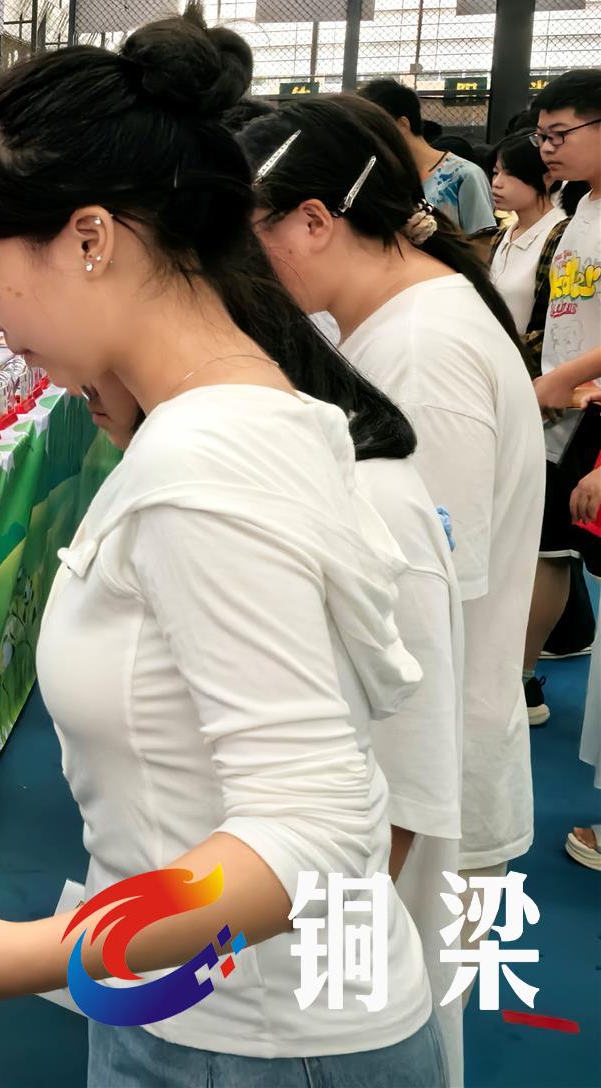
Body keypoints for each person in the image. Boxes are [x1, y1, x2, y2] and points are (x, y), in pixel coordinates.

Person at [0, 8, 441, 1082]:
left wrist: (21, 954)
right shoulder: (224, 422)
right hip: (207, 1004)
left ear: (90, 238)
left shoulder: (208, 463)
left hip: (252, 1046)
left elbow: (315, 832)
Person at [77, 367, 466, 1084]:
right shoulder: (186, 459)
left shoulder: (227, 473)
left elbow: (351, 811)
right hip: (175, 991)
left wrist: (20, 956)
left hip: (261, 1027)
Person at [235, 95, 541, 895]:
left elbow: (418, 608)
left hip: (419, 797)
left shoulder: (421, 353)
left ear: (313, 220)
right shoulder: (401, 320)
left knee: (400, 977)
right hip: (407, 778)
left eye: (247, 237)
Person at [523, 67, 601, 867]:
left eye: (560, 133)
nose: (547, 148)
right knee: (547, 546)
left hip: (585, 411)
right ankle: (524, 679)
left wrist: (562, 380)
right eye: (540, 135)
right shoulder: (580, 207)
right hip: (567, 408)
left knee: (555, 550)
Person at [358, 78, 496, 243]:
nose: (367, 139)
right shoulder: (381, 177)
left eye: (371, 129)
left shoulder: (465, 175)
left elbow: (483, 245)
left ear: (402, 125)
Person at [489, 128, 569, 367]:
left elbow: (559, 330)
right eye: (495, 172)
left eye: (510, 174)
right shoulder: (502, 236)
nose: (497, 183)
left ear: (547, 177)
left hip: (529, 370)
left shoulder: (561, 237)